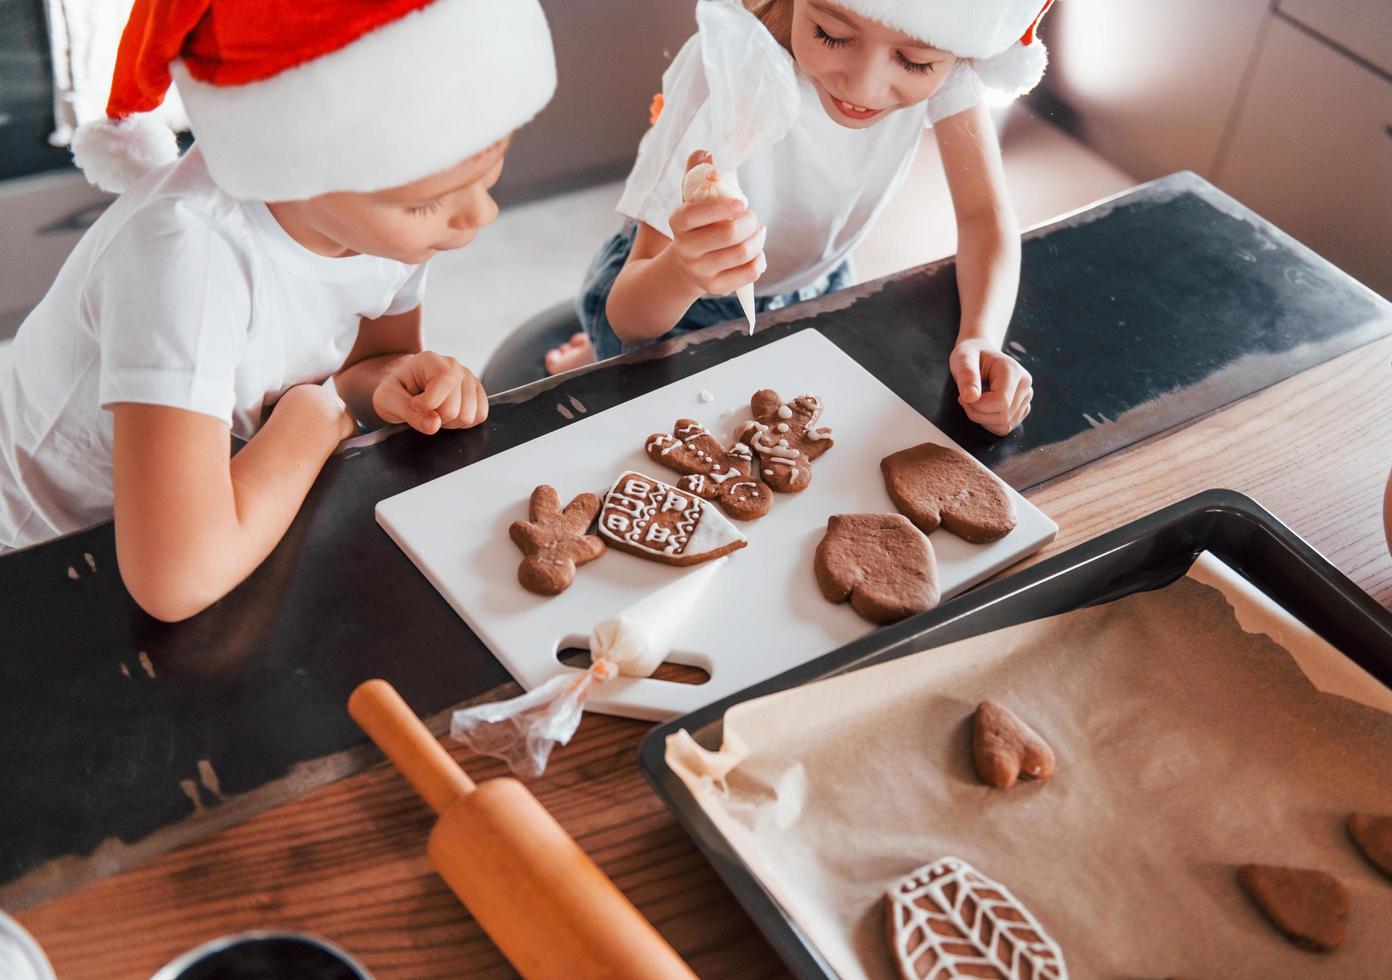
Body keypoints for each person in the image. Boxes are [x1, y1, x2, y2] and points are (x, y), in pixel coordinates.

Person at [0, 0, 557, 621]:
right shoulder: (186, 255)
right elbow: (174, 579)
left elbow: (369, 363)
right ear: (293, 167)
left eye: (491, 167)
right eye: (428, 203)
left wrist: (390, 384)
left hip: (217, 498)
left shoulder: (375, 211)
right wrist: (313, 418)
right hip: (47, 547)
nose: (481, 216)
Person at [552, 0, 1053, 439]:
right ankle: (589, 353)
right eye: (832, 34)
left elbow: (985, 217)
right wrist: (685, 272)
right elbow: (629, 314)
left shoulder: (951, 60)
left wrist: (982, 337)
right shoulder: (723, 72)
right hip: (678, 295)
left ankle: (587, 352)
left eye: (914, 61)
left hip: (816, 279)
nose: (865, 86)